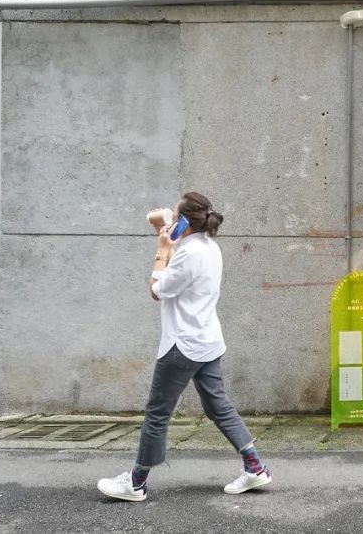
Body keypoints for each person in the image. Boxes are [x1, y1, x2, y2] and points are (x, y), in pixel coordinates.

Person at [98, 192, 271, 502]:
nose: (171, 222)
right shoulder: (209, 247)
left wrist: (161, 250)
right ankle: (255, 466)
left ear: (184, 225)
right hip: (207, 341)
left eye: (176, 219)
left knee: (157, 413)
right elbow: (180, 265)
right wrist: (170, 239)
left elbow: (157, 290)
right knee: (219, 407)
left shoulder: (188, 254)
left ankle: (136, 483)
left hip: (182, 345)